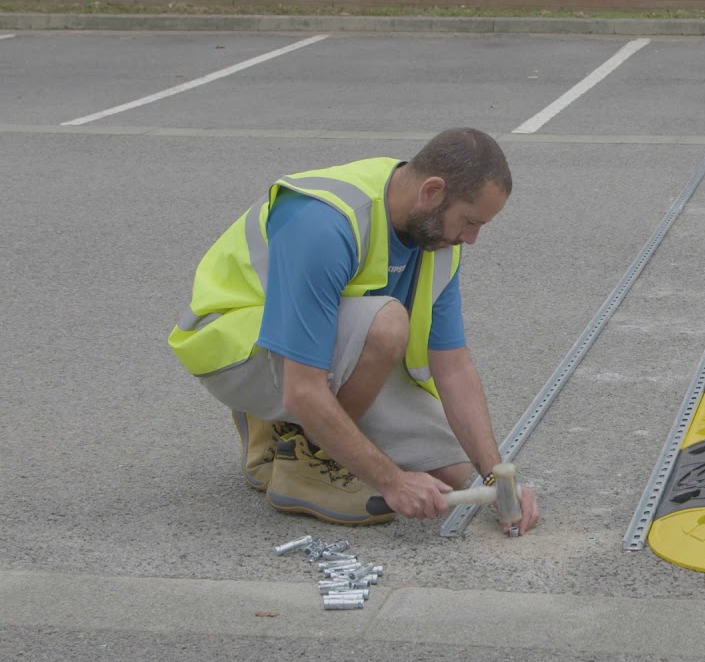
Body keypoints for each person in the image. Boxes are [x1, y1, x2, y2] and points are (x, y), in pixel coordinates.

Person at [168, 128, 539, 534]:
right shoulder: (325, 222)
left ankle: (302, 433)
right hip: (243, 347)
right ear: (432, 191)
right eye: (469, 221)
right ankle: (302, 456)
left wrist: (495, 477)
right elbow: (303, 389)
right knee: (387, 323)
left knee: (451, 470)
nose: (472, 239)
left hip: (327, 350)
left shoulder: (437, 242)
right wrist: (393, 481)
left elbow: (453, 367)